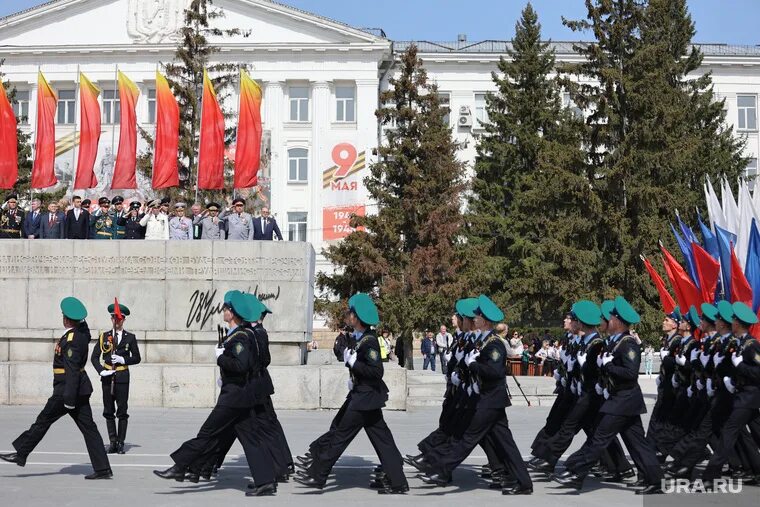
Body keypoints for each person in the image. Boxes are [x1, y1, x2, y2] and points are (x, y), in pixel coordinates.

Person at [154, 291, 278, 496]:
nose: (224, 311)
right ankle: (266, 481)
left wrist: (220, 358)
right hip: (240, 396)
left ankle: (180, 466)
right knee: (251, 439)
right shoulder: (241, 334)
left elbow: (240, 365)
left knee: (207, 433)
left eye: (226, 309)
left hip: (234, 397)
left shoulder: (241, 337)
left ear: (233, 313)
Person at [417, 294, 533, 495]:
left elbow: (496, 372)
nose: (474, 318)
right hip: (487, 399)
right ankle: (523, 482)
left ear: (485, 321)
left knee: (468, 438)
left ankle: (441, 469)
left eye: (477, 316)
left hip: (490, 400)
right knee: (506, 444)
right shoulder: (483, 341)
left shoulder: (494, 344)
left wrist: (474, 365)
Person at [294, 293, 409, 494]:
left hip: (365, 398)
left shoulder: (370, 341)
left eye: (351, 313)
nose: (348, 316)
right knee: (383, 440)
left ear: (357, 317)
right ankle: (397, 481)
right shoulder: (360, 339)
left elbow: (376, 371)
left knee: (340, 436)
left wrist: (354, 363)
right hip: (364, 395)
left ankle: (317, 475)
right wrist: (353, 371)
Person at [553, 296, 663, 495]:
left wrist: (609, 366)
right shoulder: (614, 342)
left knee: (599, 438)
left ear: (618, 321)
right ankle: (653, 479)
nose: (604, 321)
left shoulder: (628, 344)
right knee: (637, 444)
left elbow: (630, 374)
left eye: (608, 318)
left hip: (623, 400)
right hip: (618, 399)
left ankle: (576, 471)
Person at [0, 297, 112, 479]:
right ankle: (102, 468)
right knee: (89, 428)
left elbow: (73, 370)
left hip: (67, 391)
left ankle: (20, 453)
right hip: (79, 390)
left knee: (42, 421)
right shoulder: (81, 334)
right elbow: (83, 331)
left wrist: (68, 399)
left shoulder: (72, 339)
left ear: (66, 319)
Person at [700, 301, 760, 488]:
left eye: (733, 320)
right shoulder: (741, 344)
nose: (730, 322)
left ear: (738, 324)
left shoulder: (752, 346)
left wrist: (740, 365)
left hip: (749, 398)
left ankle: (710, 477)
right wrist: (733, 381)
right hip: (743, 396)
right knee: (756, 435)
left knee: (728, 434)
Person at [90, 301, 141, 454]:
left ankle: (121, 442)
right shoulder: (103, 337)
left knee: (122, 410)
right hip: (107, 376)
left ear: (123, 319)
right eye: (114, 318)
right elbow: (94, 357)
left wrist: (123, 360)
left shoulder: (130, 338)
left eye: (119, 318)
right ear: (111, 319)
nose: (116, 321)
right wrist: (101, 371)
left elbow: (137, 358)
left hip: (122, 376)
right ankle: (112, 441)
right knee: (108, 410)